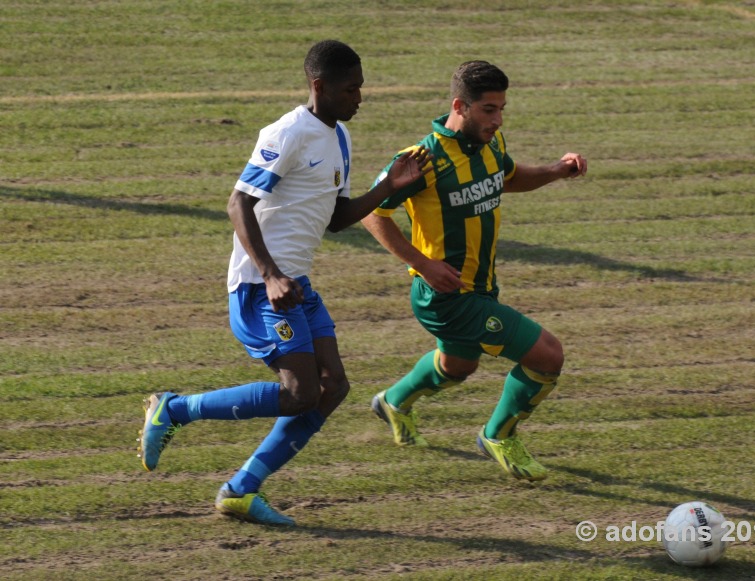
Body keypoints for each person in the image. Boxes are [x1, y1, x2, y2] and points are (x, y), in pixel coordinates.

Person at [136, 40, 433, 525]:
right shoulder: (287, 132)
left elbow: (337, 217)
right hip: (261, 286)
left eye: (361, 87)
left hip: (296, 284)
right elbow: (239, 203)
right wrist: (271, 274)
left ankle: (240, 490)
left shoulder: (339, 137)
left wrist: (388, 188)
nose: (360, 98)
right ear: (319, 87)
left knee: (333, 386)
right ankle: (174, 410)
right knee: (300, 392)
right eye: (350, 89)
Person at [362, 60, 587, 481]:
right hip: (446, 296)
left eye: (502, 109)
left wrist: (556, 171)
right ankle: (497, 435)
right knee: (547, 356)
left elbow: (509, 177)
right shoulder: (420, 159)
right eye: (488, 110)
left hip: (480, 288)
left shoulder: (490, 142)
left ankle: (393, 402)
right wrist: (423, 264)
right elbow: (374, 213)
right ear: (459, 106)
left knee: (458, 368)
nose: (497, 119)